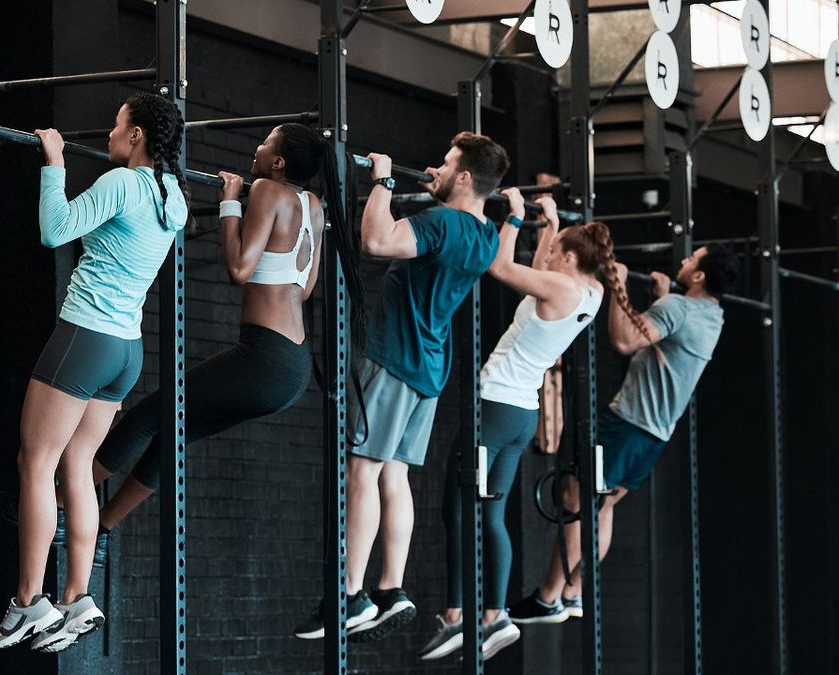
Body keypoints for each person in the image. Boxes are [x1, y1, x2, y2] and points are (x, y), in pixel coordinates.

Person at [52, 124, 364, 572]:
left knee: (145, 418)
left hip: (264, 357)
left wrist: (232, 201)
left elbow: (239, 268)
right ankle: (101, 527)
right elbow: (307, 285)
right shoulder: (313, 206)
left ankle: (62, 508)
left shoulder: (266, 193)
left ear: (277, 162)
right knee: (178, 431)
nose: (255, 146)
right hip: (290, 369)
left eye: (265, 142)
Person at [0, 93, 190, 654]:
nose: (108, 133)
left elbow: (56, 230)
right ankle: (77, 594)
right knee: (76, 464)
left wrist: (53, 162)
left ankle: (29, 601)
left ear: (137, 137)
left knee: (36, 463)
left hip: (85, 337)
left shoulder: (123, 183)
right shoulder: (172, 195)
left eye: (116, 124)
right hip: (126, 350)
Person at [294, 132, 507, 642]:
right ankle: (391, 588)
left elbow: (376, 240)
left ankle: (349, 598)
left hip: (394, 359)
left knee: (362, 473)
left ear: (463, 177)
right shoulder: (486, 235)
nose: (436, 167)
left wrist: (384, 181)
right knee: (394, 476)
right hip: (429, 370)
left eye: (446, 162)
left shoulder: (443, 223)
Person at [421, 199, 631, 662]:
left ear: (570, 259)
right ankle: (494, 615)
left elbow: (499, 266)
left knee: (456, 511)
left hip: (494, 409)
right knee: (489, 516)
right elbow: (538, 277)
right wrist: (550, 228)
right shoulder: (589, 293)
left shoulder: (560, 286)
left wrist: (514, 217)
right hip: (520, 415)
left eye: (556, 249)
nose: (550, 254)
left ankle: (457, 618)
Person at [507, 244, 738, 624]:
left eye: (691, 259)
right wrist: (663, 297)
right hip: (654, 435)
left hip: (628, 424)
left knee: (576, 501)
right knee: (604, 507)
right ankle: (573, 592)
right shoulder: (712, 314)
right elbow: (673, 332)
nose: (683, 260)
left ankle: (547, 597)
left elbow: (625, 341)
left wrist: (618, 286)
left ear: (698, 276)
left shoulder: (678, 309)